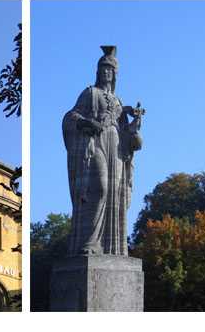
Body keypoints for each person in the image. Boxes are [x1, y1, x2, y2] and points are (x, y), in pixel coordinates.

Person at [62, 46, 143, 256]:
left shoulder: (118, 101)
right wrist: (87, 122)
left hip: (116, 145)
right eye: (103, 69)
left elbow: (128, 131)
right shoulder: (90, 93)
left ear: (115, 74)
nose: (106, 73)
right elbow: (70, 117)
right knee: (99, 189)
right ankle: (88, 244)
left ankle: (113, 248)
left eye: (110, 70)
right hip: (94, 144)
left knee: (115, 194)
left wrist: (136, 122)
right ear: (97, 72)